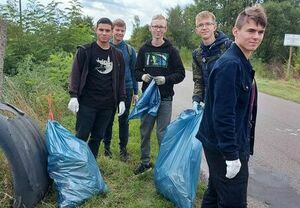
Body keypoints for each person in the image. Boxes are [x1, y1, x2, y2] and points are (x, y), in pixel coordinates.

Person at [196, 5, 267, 207]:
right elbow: (223, 115)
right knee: (233, 202)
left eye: (260, 32)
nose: (256, 36)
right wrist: (232, 156)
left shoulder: (241, 61)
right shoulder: (231, 65)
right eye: (251, 30)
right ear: (236, 31)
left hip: (220, 144)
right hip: (224, 148)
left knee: (215, 193)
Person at [67, 17, 126, 159]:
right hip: (87, 103)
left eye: (107, 30)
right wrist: (74, 96)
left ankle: (90, 165)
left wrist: (122, 100)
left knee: (97, 137)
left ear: (112, 32)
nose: (104, 33)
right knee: (81, 136)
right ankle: (76, 165)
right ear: (96, 30)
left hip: (107, 105)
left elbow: (121, 80)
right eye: (101, 30)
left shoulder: (117, 55)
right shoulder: (85, 51)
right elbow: (75, 74)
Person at [134, 14, 185, 175]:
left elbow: (181, 73)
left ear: (165, 29)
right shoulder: (144, 49)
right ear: (150, 28)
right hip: (148, 100)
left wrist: (167, 79)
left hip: (165, 99)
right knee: (145, 131)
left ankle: (163, 166)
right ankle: (145, 162)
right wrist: (142, 76)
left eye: (161, 26)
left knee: (162, 133)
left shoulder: (171, 50)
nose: (158, 29)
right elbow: (135, 71)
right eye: (155, 26)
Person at [103, 18, 139, 161]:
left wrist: (136, 92)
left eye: (122, 30)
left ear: (125, 32)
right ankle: (106, 149)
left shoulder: (130, 50)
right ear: (112, 31)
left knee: (124, 120)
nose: (119, 33)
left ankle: (123, 150)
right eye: (117, 30)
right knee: (108, 119)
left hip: (127, 88)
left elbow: (134, 72)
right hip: (109, 89)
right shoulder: (105, 47)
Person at [192, 11, 232, 112]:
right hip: (208, 104)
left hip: (228, 105)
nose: (204, 27)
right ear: (197, 30)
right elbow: (198, 81)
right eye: (200, 25)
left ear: (214, 27)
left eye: (208, 24)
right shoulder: (197, 54)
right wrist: (196, 99)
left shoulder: (229, 47)